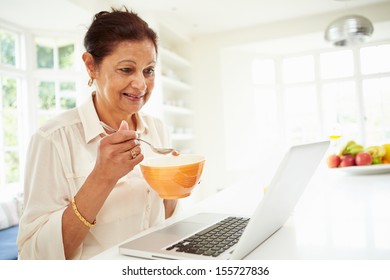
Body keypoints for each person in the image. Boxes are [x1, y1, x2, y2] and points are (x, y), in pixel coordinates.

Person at [17, 7, 179, 260]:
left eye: (148, 70)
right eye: (126, 69)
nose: (141, 84)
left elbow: (163, 218)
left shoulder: (156, 129)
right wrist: (102, 177)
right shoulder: (53, 139)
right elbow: (33, 256)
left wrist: (175, 184)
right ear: (91, 66)